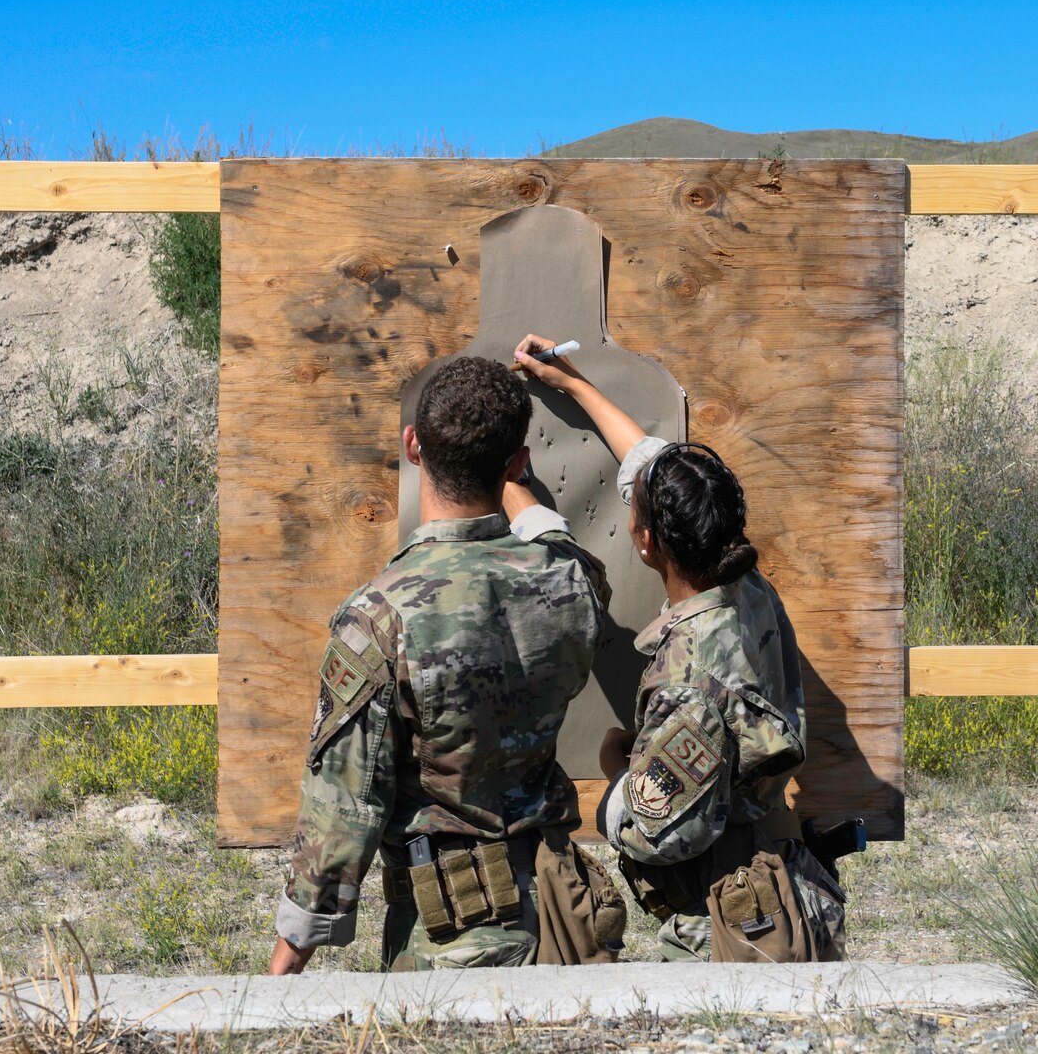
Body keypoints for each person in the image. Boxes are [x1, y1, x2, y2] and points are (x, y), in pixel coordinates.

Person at [270, 355, 627, 973]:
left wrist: (284, 967)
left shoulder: (378, 616)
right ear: (518, 463)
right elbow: (563, 546)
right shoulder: (570, 582)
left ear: (413, 446)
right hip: (567, 922)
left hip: (450, 940)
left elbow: (342, 815)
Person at [510, 333, 847, 962]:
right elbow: (656, 465)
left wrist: (619, 776)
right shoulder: (746, 585)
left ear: (643, 543)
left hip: (725, 930)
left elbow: (662, 834)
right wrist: (573, 383)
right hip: (784, 884)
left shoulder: (687, 680)